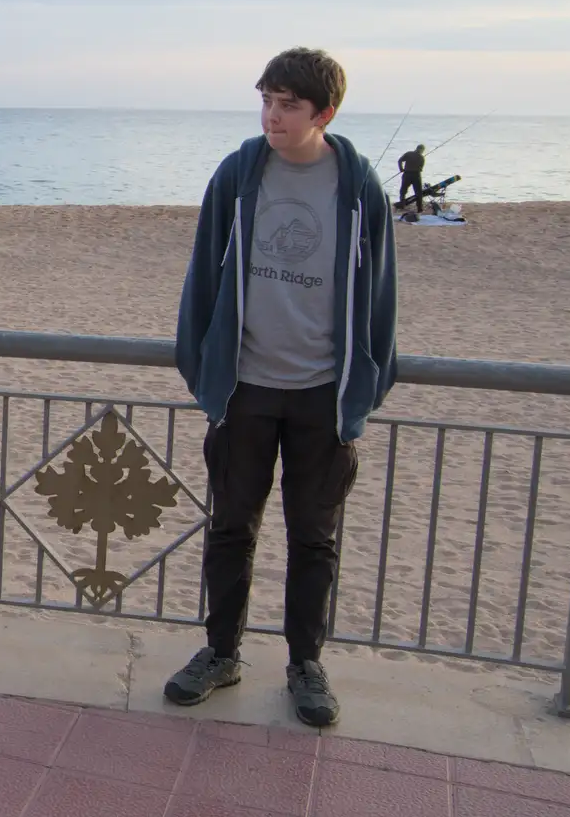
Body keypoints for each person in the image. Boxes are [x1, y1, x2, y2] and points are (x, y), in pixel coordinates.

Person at [169, 47, 397, 728]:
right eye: (267, 100)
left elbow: (380, 295)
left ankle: (305, 664)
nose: (273, 115)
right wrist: (203, 367)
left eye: (289, 105)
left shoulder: (358, 188)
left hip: (321, 392)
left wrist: (365, 385)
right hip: (245, 387)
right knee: (232, 527)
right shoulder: (240, 172)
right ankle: (220, 652)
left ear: (323, 113)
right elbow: (203, 273)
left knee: (313, 536)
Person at [396, 144, 426, 209]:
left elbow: (400, 161)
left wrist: (401, 169)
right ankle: (419, 208)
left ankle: (402, 205)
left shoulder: (409, 154)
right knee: (418, 192)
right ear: (421, 150)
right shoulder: (421, 158)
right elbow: (421, 169)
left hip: (407, 174)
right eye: (422, 150)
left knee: (403, 191)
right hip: (416, 175)